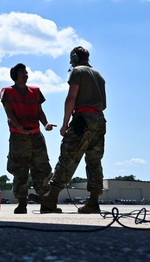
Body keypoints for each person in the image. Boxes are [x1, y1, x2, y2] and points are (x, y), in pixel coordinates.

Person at [39, 46, 107, 214]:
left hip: (82, 120)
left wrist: (64, 123)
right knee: (94, 161)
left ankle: (51, 198)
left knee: (68, 157)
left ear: (75, 58)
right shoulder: (99, 75)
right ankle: (93, 201)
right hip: (99, 120)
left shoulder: (77, 72)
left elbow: (71, 98)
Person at [0, 63, 56, 214]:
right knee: (20, 170)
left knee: (42, 168)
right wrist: (18, 127)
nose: (26, 74)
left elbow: (39, 111)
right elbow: (9, 112)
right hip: (19, 137)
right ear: (15, 75)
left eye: (26, 72)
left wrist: (46, 124)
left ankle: (45, 201)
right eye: (22, 72)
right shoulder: (7, 92)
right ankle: (22, 203)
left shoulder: (35, 91)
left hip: (36, 135)